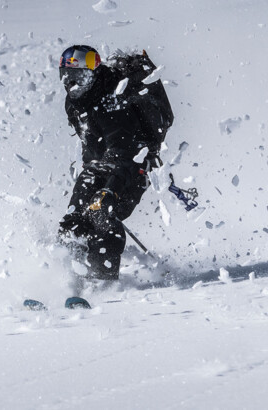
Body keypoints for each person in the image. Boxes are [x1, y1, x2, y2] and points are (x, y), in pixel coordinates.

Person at [58, 44, 173, 282]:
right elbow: (90, 143)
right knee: (73, 221)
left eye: (80, 76)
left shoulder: (114, 100)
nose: (73, 85)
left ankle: (103, 282)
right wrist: (89, 175)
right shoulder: (74, 104)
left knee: (102, 215)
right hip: (97, 167)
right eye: (67, 77)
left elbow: (127, 153)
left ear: (94, 73)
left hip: (133, 168)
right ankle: (70, 282)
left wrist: (109, 190)